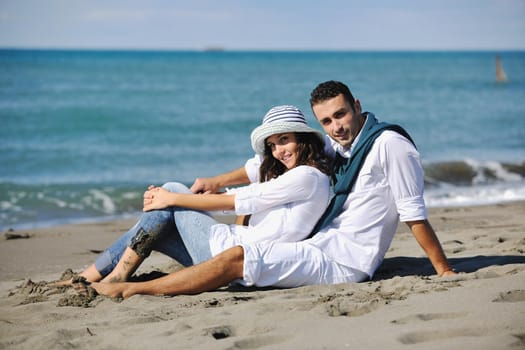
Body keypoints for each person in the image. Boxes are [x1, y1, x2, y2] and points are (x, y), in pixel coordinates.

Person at [87, 80, 456, 299]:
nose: (336, 126)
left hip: (344, 260)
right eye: (327, 120)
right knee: (169, 224)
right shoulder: (338, 147)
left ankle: (128, 288)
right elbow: (261, 166)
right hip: (318, 243)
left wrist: (443, 272)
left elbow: (412, 213)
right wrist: (215, 181)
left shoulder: (388, 144)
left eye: (341, 114)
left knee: (236, 257)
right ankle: (96, 275)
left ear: (357, 106)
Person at [63, 105, 331, 285]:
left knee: (173, 189)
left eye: (284, 140)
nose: (278, 151)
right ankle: (89, 277)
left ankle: (108, 275)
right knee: (155, 223)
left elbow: (239, 201)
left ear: (304, 139)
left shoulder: (307, 176)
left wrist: (171, 199)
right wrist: (192, 193)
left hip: (231, 258)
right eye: (272, 145)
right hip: (226, 254)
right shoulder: (295, 175)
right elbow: (249, 184)